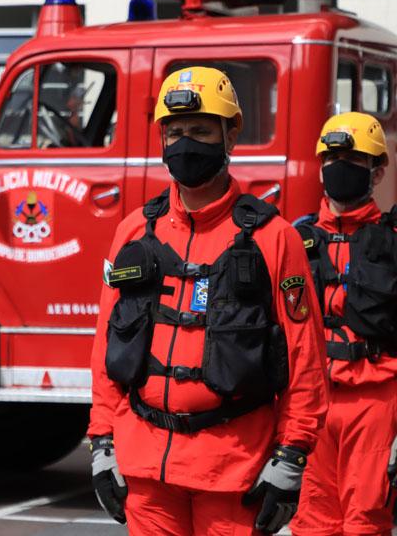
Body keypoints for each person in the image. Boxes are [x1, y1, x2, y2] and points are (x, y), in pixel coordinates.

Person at [88, 66, 328, 535]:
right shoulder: (135, 232)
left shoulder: (274, 238)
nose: (185, 144)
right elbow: (105, 347)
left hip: (234, 469)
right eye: (174, 132)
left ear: (231, 133)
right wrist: (101, 442)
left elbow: (305, 360)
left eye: (199, 130)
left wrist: (291, 457)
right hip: (146, 470)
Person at [290, 112, 397, 536]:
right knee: (311, 521)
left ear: (378, 171)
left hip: (376, 401)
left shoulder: (391, 240)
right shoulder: (294, 240)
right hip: (310, 402)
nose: (339, 166)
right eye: (332, 157)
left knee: (365, 521)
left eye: (353, 158)